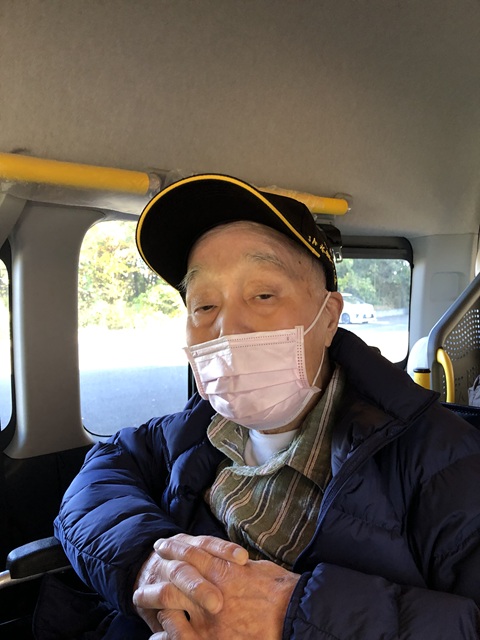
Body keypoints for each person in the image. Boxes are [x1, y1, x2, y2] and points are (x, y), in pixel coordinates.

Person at [52, 174, 480, 639]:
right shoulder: (192, 430)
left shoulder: (443, 460)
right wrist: (147, 562)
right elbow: (99, 474)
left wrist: (292, 614)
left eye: (262, 295)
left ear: (329, 317)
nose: (227, 329)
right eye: (204, 306)